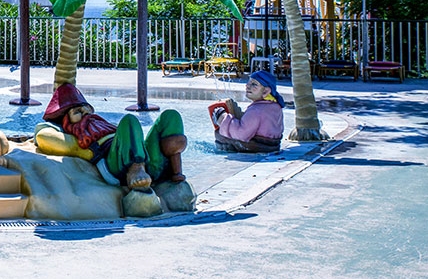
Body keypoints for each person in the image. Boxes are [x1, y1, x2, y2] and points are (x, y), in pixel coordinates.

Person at [34, 83, 188, 190]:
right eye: (77, 112)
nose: (84, 114)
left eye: (85, 109)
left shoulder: (101, 124)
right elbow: (43, 137)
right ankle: (135, 168)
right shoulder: (75, 135)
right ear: (66, 121)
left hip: (147, 160)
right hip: (115, 164)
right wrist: (84, 151)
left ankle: (175, 170)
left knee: (170, 116)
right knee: (130, 120)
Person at [211, 69, 285, 153]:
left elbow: (241, 134)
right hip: (273, 146)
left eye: (254, 84)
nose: (247, 86)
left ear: (265, 91)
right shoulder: (276, 106)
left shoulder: (256, 110)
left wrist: (222, 118)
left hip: (256, 148)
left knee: (220, 134)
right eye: (248, 82)